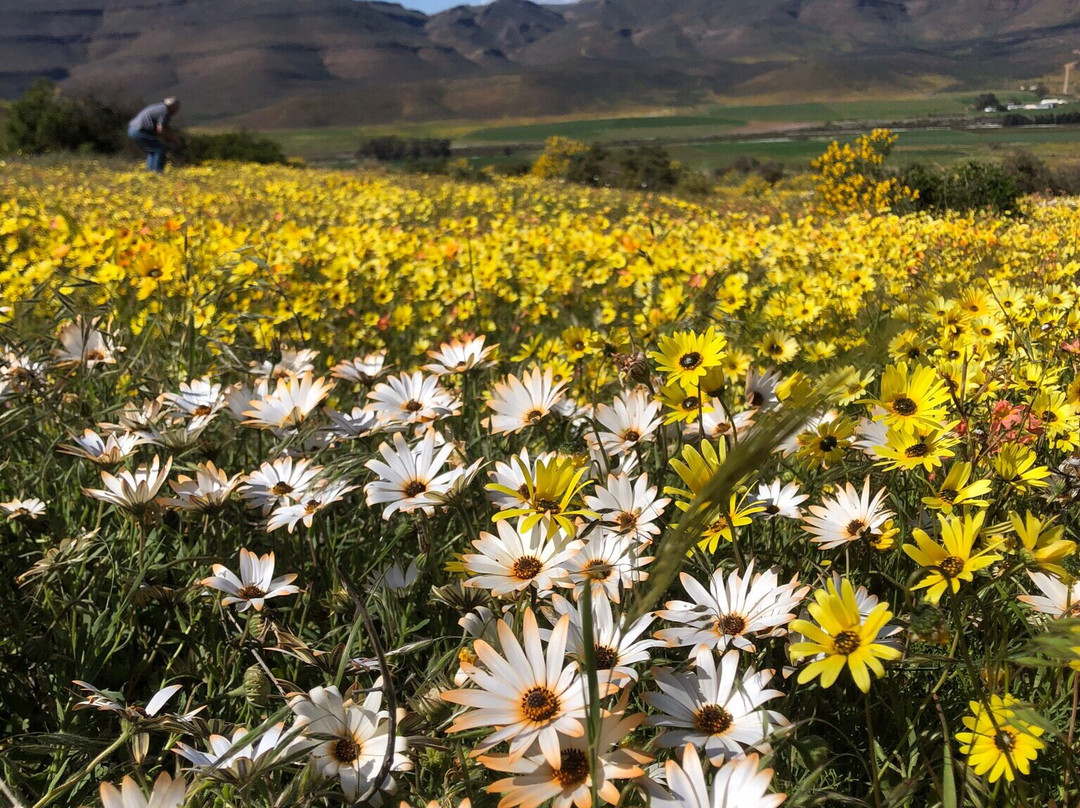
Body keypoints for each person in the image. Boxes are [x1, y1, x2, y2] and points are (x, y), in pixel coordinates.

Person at [128, 97, 180, 172]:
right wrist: (172, 140)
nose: (177, 110)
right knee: (159, 149)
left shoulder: (159, 107)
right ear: (172, 106)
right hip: (139, 131)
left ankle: (150, 172)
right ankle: (157, 173)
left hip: (133, 130)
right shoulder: (164, 111)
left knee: (153, 150)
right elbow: (160, 130)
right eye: (176, 107)